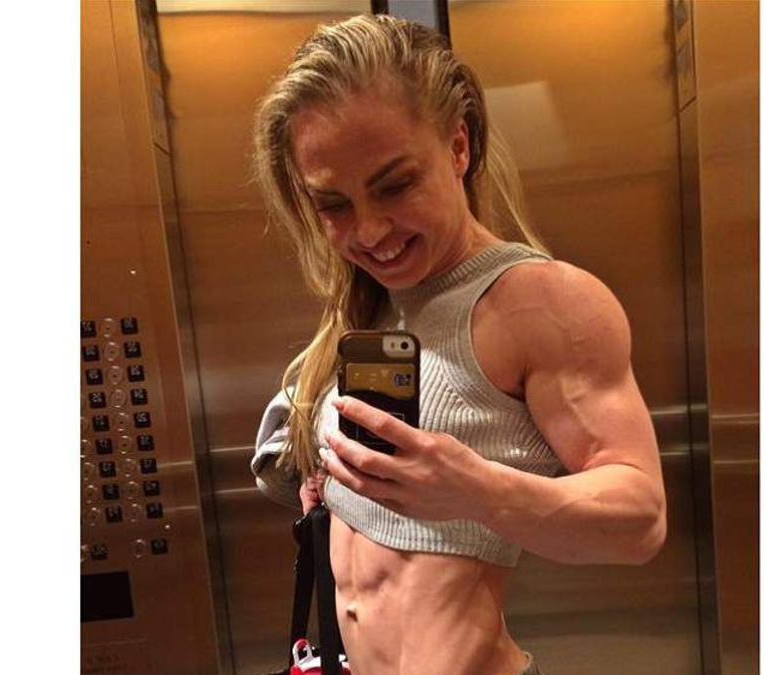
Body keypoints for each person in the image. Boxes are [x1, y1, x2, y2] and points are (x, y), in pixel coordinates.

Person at [249, 14, 665, 675]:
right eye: (334, 205)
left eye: (395, 184)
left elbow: (640, 519)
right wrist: (335, 490)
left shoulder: (541, 301)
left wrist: (473, 489)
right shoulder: (371, 302)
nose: (370, 231)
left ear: (459, 146)